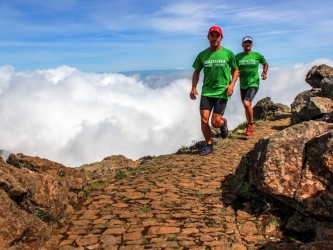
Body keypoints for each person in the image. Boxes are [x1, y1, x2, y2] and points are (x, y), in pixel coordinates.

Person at [190, 25, 239, 156]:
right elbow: (196, 72)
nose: (214, 38)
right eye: (212, 35)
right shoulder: (202, 55)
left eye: (217, 35)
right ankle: (209, 145)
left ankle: (223, 123)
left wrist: (232, 85)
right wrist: (194, 87)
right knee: (204, 120)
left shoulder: (228, 53)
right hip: (207, 91)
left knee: (215, 123)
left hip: (222, 91)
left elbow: (236, 70)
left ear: (221, 38)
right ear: (208, 37)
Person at [236, 36, 269, 136]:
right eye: (246, 42)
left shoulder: (257, 55)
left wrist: (264, 72)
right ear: (242, 45)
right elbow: (234, 68)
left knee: (247, 103)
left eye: (249, 42)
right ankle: (248, 125)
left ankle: (250, 125)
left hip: (253, 83)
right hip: (243, 84)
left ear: (252, 44)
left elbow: (265, 63)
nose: (248, 44)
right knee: (246, 106)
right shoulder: (237, 57)